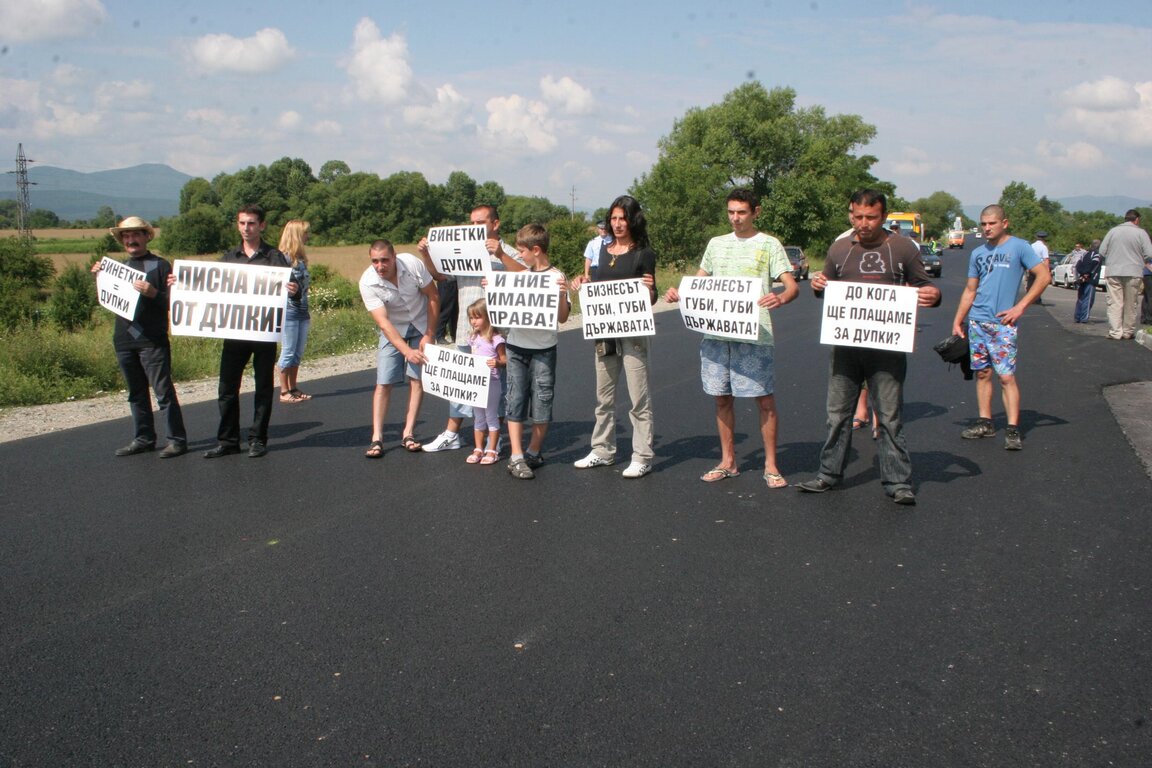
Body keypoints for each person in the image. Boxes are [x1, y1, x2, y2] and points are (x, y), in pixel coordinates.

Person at [795, 189, 941, 506]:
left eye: (871, 217)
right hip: (845, 348)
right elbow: (826, 289)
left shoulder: (903, 248)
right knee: (837, 415)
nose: (864, 223)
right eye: (857, 216)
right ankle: (828, 474)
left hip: (887, 349)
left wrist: (933, 295)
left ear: (883, 216)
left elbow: (924, 285)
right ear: (851, 214)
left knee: (889, 417)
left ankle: (898, 481)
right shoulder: (839, 249)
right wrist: (818, 286)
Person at [663, 188, 798, 487]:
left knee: (764, 400)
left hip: (755, 335)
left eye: (742, 212)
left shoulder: (769, 245)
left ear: (756, 212)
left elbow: (791, 285)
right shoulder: (716, 244)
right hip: (716, 333)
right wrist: (678, 293)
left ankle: (771, 466)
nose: (736, 218)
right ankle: (728, 461)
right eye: (731, 212)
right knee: (721, 398)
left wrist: (782, 297)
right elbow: (699, 282)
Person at [417, 204, 525, 453]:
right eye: (472, 224)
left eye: (481, 223)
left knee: (497, 386)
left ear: (495, 224)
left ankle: (494, 440)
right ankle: (452, 433)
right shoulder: (462, 252)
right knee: (462, 383)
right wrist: (426, 255)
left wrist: (501, 257)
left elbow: (528, 276)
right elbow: (441, 276)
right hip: (467, 330)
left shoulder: (507, 252)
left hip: (497, 333)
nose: (475, 228)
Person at [570, 195, 658, 479]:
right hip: (604, 333)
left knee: (638, 397)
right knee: (604, 396)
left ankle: (642, 455)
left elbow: (651, 297)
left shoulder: (644, 253)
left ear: (633, 220)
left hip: (633, 334)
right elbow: (596, 286)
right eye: (613, 218)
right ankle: (602, 450)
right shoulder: (602, 250)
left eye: (623, 218)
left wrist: (650, 288)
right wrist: (582, 282)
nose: (618, 224)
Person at [951, 204, 1050, 451]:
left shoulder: (1019, 247)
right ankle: (985, 422)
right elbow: (971, 289)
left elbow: (1044, 276)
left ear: (1004, 223)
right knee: (983, 373)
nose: (986, 228)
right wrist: (957, 320)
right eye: (983, 224)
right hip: (977, 321)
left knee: (1006, 376)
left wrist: (1020, 307)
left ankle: (1013, 428)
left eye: (991, 223)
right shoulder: (978, 253)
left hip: (1002, 325)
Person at [203, 204, 297, 459]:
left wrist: (293, 290)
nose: (247, 228)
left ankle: (258, 439)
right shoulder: (229, 257)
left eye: (252, 223)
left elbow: (295, 291)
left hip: (264, 332)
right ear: (237, 225)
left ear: (262, 225)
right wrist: (182, 284)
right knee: (226, 388)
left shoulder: (275, 257)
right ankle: (228, 440)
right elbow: (209, 288)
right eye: (242, 223)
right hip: (235, 333)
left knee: (263, 387)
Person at [92, 216, 187, 458]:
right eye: (126, 236)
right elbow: (106, 299)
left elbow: (174, 305)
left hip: (152, 340)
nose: (131, 240)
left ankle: (177, 440)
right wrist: (100, 279)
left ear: (146, 237)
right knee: (136, 393)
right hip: (124, 340)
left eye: (136, 235)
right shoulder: (117, 269)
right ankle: (143, 438)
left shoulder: (160, 266)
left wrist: (153, 292)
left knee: (163, 392)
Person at [358, 240, 439, 457]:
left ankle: (408, 433)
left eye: (384, 260)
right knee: (384, 382)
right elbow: (383, 323)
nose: (380, 266)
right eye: (375, 261)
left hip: (421, 324)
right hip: (393, 329)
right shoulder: (368, 282)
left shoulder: (411, 264)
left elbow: (433, 295)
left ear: (394, 257)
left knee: (416, 379)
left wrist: (430, 334)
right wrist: (406, 351)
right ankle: (377, 438)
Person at [503, 224, 571, 479]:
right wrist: (493, 287)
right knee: (515, 399)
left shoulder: (557, 277)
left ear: (536, 250)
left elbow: (563, 319)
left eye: (522, 251)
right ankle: (516, 456)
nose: (519, 255)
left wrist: (563, 297)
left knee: (542, 400)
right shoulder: (519, 275)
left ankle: (533, 451)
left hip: (544, 349)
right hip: (516, 348)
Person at [463, 298, 507, 466]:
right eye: (471, 318)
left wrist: (497, 363)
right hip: (476, 383)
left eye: (477, 317)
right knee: (478, 417)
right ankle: (478, 448)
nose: (473, 321)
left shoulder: (496, 339)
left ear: (488, 317)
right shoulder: (473, 338)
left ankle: (492, 449)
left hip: (492, 382)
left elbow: (505, 360)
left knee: (491, 416)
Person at [1099, 210, 1152, 340]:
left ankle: (1115, 332)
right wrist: (1140, 259)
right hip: (1133, 271)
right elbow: (1149, 254)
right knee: (1131, 302)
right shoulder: (1141, 233)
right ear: (1137, 219)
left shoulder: (1113, 231)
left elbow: (1101, 251)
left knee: (1115, 303)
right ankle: (1128, 331)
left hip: (1114, 271)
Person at [276, 219, 313, 403]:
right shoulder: (284, 259)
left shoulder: (300, 260)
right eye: (305, 233)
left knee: (298, 352)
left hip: (302, 310)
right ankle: (283, 391)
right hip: (289, 311)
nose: (308, 236)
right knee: (288, 350)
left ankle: (293, 387)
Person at [1073, 239, 1103, 324]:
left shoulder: (1084, 254)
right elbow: (1094, 265)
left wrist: (1081, 274)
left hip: (1081, 278)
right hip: (1090, 279)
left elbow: (1078, 265)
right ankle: (1084, 318)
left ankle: (1077, 316)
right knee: (1088, 299)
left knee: (1080, 298)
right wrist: (1087, 273)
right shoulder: (1096, 255)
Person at [1028, 231, 1050, 304]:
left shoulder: (1032, 245)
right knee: (1038, 283)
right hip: (1040, 266)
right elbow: (1046, 259)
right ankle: (1036, 298)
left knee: (1031, 282)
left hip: (1031, 265)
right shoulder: (1044, 247)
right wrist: (1047, 270)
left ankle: (1029, 297)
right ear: (1044, 238)